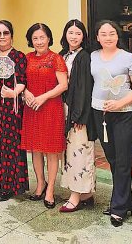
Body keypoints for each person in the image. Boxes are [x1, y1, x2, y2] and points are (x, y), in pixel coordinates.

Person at [91, 19, 132, 227]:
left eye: (111, 33)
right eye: (103, 34)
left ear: (117, 35)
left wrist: (119, 103)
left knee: (123, 160)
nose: (108, 37)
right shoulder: (93, 56)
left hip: (125, 114)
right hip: (100, 113)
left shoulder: (128, 58)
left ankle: (118, 208)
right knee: (113, 159)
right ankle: (125, 201)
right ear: (97, 37)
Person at [21, 23, 68, 210]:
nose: (39, 41)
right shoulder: (26, 58)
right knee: (35, 149)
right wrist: (25, 92)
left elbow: (63, 85)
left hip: (51, 108)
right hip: (32, 108)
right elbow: (21, 81)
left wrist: (43, 97)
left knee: (51, 150)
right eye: (35, 38)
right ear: (30, 40)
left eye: (42, 37)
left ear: (49, 38)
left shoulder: (56, 59)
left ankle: (50, 189)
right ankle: (40, 183)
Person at [0, 20, 28, 201]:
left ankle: (9, 186)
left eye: (6, 33)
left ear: (11, 35)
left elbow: (23, 81)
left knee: (10, 144)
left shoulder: (19, 56)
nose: (2, 37)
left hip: (12, 107)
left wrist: (13, 93)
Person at [58, 19, 97, 213]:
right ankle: (86, 194)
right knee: (68, 152)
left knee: (79, 152)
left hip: (78, 113)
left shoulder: (84, 57)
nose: (74, 37)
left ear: (84, 37)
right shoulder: (62, 54)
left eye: (78, 33)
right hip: (63, 109)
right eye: (70, 32)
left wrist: (79, 116)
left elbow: (85, 88)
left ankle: (76, 196)